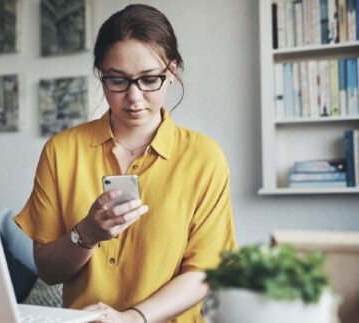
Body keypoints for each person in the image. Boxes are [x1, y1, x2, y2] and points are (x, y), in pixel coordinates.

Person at [14, 4, 237, 323]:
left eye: (149, 80)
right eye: (116, 80)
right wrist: (87, 233)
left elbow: (203, 271)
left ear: (171, 72)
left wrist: (132, 318)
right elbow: (48, 271)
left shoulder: (204, 157)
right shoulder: (61, 151)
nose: (133, 97)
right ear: (101, 75)